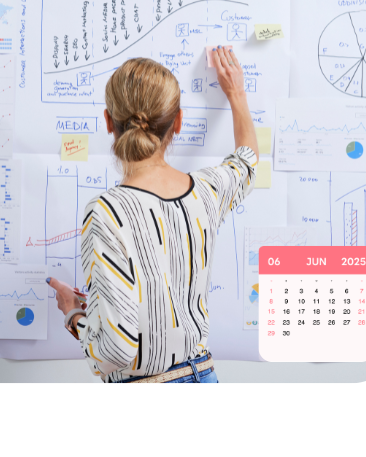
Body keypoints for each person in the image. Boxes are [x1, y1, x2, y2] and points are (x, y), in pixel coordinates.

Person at [48, 47, 259, 384]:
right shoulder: (207, 190)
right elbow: (247, 160)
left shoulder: (106, 213)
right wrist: (236, 92)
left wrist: (74, 315)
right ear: (177, 120)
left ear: (107, 121)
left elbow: (116, 352)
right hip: (204, 373)